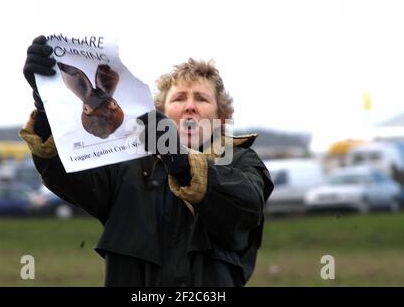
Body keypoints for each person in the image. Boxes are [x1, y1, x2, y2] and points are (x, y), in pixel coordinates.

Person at [20, 35, 274, 287]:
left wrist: (184, 164)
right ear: (161, 112)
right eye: (178, 98)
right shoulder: (127, 162)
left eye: (201, 98)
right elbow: (69, 176)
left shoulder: (241, 161)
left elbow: (246, 207)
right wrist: (47, 109)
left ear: (220, 118)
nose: (189, 107)